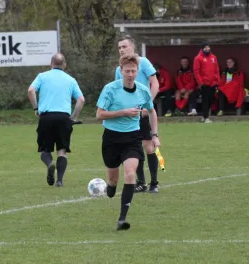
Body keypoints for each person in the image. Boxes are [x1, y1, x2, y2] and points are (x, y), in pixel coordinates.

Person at [97, 53, 160, 230]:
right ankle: (110, 186)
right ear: (121, 71)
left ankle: (122, 219)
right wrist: (122, 112)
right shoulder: (110, 89)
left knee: (131, 174)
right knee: (113, 180)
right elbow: (99, 114)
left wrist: (155, 135)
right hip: (111, 137)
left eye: (133, 71)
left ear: (137, 71)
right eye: (127, 71)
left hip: (133, 137)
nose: (130, 74)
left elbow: (152, 112)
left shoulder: (143, 90)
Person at [28, 53, 85, 187]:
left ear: (51, 64)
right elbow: (81, 100)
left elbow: (31, 90)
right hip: (63, 118)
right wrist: (73, 117)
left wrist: (36, 107)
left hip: (46, 117)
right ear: (64, 65)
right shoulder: (71, 80)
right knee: (62, 151)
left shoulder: (42, 76)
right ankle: (59, 181)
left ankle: (49, 164)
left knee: (45, 150)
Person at [114, 34, 161, 193]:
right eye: (119, 47)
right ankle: (141, 183)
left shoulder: (144, 62)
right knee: (135, 148)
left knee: (148, 146)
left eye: (124, 46)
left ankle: (154, 183)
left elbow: (155, 83)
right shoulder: (118, 70)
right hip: (128, 114)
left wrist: (148, 105)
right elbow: (117, 90)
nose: (121, 49)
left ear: (132, 48)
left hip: (143, 113)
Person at [193, 42, 220, 123]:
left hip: (213, 83)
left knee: (211, 99)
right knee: (205, 100)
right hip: (204, 83)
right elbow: (196, 72)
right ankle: (206, 117)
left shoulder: (214, 57)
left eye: (208, 47)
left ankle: (204, 116)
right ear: (202, 49)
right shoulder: (198, 58)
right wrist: (200, 83)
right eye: (205, 48)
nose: (207, 49)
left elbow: (216, 69)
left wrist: (217, 80)